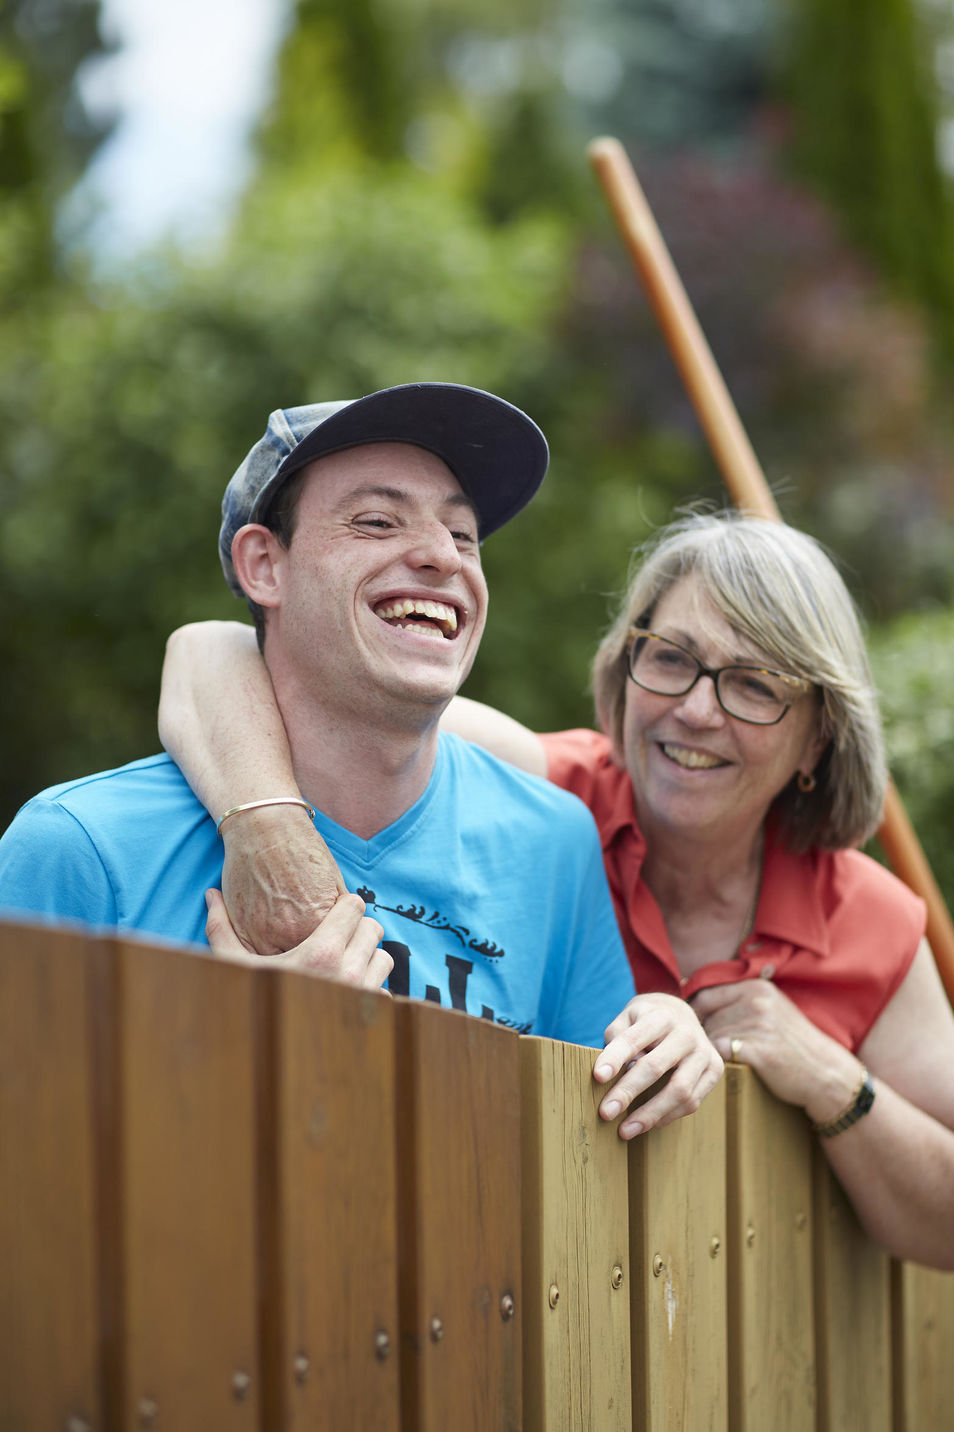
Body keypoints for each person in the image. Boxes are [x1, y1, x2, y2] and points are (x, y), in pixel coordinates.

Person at [158, 509, 954, 1269]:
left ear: (818, 735)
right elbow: (223, 658)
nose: (696, 710)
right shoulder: (551, 797)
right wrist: (271, 838)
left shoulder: (869, 924)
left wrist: (829, 1081)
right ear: (625, 668)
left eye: (755, 684)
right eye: (671, 659)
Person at [0, 381, 722, 1134]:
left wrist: (664, 1036)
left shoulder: (552, 842)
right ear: (264, 566)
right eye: (376, 521)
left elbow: (587, 1172)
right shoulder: (80, 851)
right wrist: (221, 1056)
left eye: (465, 536)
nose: (442, 557)